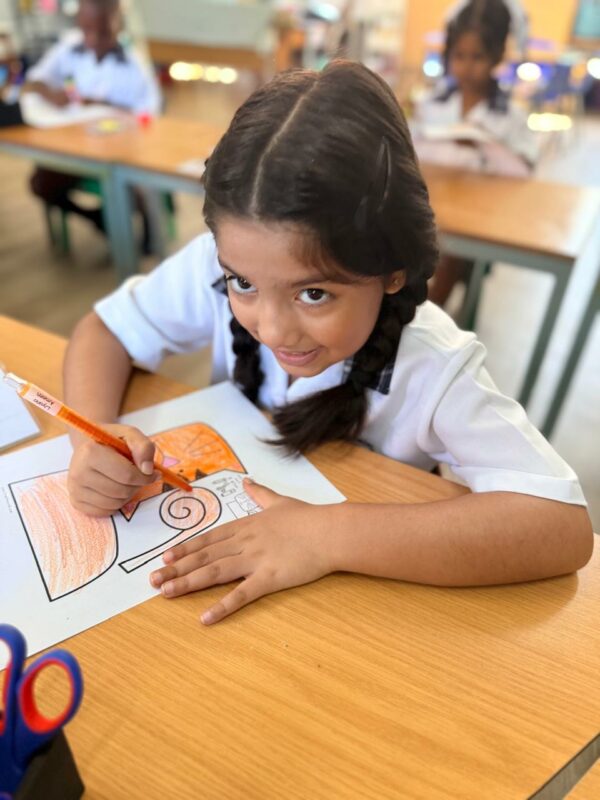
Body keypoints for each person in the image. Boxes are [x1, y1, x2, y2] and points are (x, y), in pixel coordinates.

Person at [63, 60, 593, 626]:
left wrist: (327, 534)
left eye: (313, 294)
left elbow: (561, 527)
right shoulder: (217, 265)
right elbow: (103, 331)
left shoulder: (433, 365)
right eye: (243, 284)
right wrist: (91, 437)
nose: (272, 329)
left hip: (358, 620)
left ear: (392, 269)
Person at [412, 0, 538, 307]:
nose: (467, 66)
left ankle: (426, 308)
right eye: (459, 56)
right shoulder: (431, 103)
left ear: (497, 55)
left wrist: (483, 144)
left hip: (479, 222)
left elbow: (524, 173)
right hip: (428, 208)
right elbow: (411, 150)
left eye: (478, 57)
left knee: (453, 253)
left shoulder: (510, 117)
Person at [23, 0, 160, 235]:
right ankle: (96, 218)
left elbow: (150, 115)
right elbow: (34, 80)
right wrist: (51, 94)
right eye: (86, 30)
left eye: (103, 32)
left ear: (118, 25)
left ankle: (145, 233)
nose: (94, 39)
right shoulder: (68, 48)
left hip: (119, 152)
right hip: (75, 148)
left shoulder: (133, 63)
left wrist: (104, 106)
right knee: (41, 183)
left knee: (135, 186)